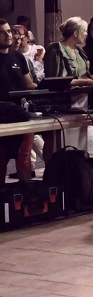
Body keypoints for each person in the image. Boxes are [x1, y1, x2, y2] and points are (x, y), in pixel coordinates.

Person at [43, 17, 93, 149]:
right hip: (63, 103)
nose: (86, 34)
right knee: (64, 141)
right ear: (76, 32)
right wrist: (85, 82)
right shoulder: (56, 50)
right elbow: (55, 80)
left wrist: (91, 80)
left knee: (80, 142)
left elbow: (84, 74)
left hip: (81, 100)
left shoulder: (79, 51)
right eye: (84, 31)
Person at [0, 19, 35, 181]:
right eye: (2, 32)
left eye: (8, 31)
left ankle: (26, 191)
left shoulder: (18, 57)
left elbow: (29, 85)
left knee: (24, 157)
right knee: (1, 158)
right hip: (2, 117)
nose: (7, 35)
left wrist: (51, 87)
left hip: (20, 114)